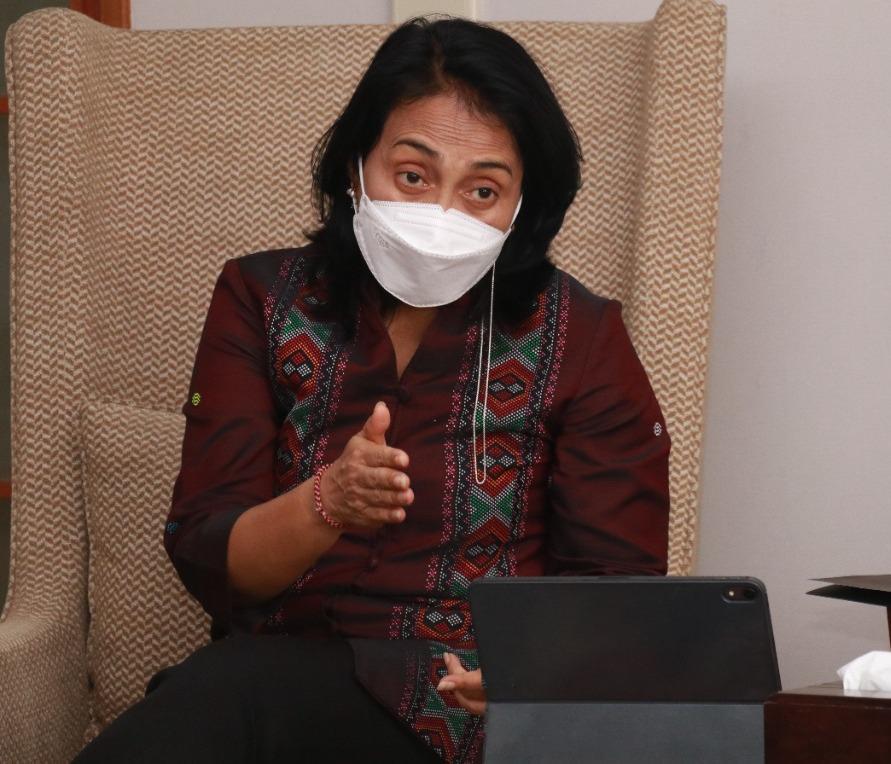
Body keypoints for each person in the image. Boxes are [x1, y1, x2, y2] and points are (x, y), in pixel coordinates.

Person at [73, 15, 670, 764]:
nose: (441, 215)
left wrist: (532, 674)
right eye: (413, 176)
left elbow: (617, 593)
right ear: (356, 166)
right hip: (268, 694)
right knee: (226, 695)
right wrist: (327, 502)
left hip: (462, 710)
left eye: (483, 190)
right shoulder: (260, 298)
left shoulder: (582, 335)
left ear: (522, 208)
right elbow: (211, 556)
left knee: (226, 694)